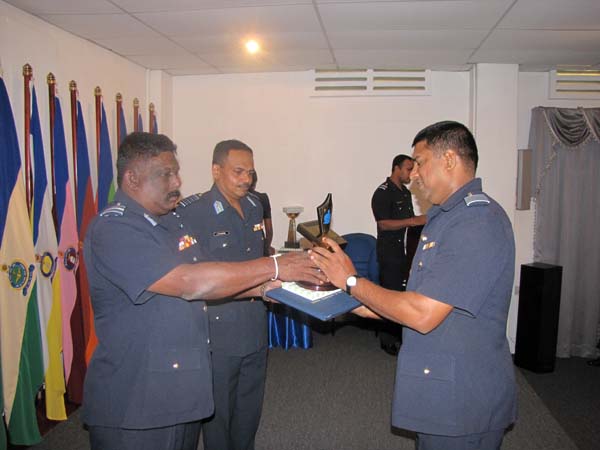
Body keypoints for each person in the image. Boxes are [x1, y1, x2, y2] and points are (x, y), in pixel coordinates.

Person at [82, 132, 323, 450]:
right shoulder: (115, 228)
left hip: (180, 387)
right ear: (132, 178)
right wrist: (274, 266)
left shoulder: (168, 223)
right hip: (137, 399)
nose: (177, 182)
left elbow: (206, 280)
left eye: (176, 172)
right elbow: (187, 282)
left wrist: (261, 288)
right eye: (166, 174)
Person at [311, 121, 517, 450]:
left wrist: (351, 280)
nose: (415, 174)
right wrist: (338, 297)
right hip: (439, 390)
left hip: (462, 401)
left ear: (449, 159)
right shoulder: (445, 218)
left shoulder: (476, 222)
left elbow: (421, 313)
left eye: (420, 162)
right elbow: (412, 301)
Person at [177, 139, 269, 450]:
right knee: (218, 415)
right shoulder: (194, 212)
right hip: (218, 331)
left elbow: (257, 261)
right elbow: (196, 278)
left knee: (249, 409)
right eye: (238, 171)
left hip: (254, 324)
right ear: (216, 171)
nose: (247, 179)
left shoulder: (255, 206)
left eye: (251, 173)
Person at [371, 154, 426, 355]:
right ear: (396, 168)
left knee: (403, 295)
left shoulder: (405, 193)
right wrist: (413, 221)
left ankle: (402, 336)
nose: (411, 173)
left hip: (405, 253)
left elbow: (410, 222)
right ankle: (388, 340)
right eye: (408, 169)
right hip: (390, 254)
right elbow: (383, 224)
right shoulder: (383, 192)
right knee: (390, 296)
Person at [249, 171, 275, 256]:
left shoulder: (235, 198)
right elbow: (269, 230)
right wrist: (266, 248)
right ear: (255, 182)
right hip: (259, 244)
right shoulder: (262, 198)